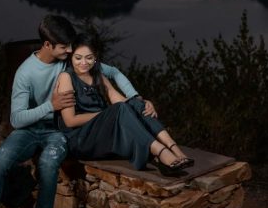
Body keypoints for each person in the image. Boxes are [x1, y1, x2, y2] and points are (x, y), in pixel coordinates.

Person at [0, 15, 153, 208]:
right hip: (29, 130)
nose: (70, 50)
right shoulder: (26, 72)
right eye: (64, 46)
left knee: (48, 164)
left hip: (59, 132)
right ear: (47, 45)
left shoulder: (69, 62)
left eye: (70, 45)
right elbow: (17, 119)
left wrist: (136, 98)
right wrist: (50, 106)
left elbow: (113, 72)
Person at [57, 35, 193, 176]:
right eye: (78, 58)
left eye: (89, 58)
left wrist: (143, 104)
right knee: (120, 108)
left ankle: (174, 149)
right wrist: (105, 115)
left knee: (135, 103)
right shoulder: (66, 77)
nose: (84, 63)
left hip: (102, 134)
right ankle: (160, 151)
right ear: (71, 57)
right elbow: (70, 121)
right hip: (81, 140)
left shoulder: (97, 75)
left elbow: (122, 101)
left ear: (95, 57)